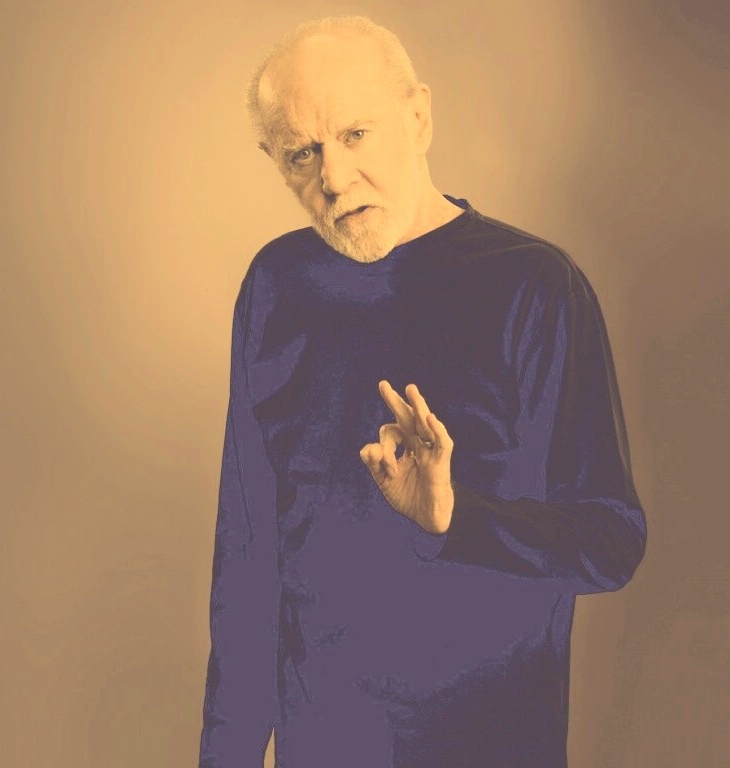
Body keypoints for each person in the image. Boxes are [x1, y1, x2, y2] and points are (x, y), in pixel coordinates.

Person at [198, 16, 646, 767]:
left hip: (492, 747)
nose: (333, 178)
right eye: (303, 153)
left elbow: (611, 541)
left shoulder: (536, 286)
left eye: (355, 135)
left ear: (418, 118)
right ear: (274, 161)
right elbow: (246, 563)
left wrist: (454, 517)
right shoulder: (276, 286)